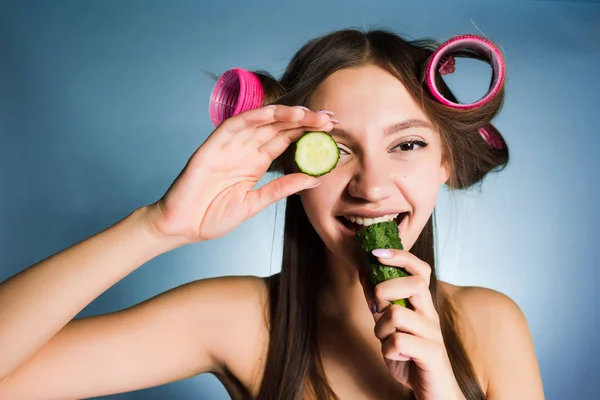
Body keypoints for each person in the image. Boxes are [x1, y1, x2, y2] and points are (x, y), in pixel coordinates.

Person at [0, 28, 544, 399]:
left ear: (445, 159)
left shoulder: (493, 326)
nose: (372, 186)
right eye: (338, 149)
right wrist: (155, 227)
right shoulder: (237, 320)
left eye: (406, 145)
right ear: (290, 162)